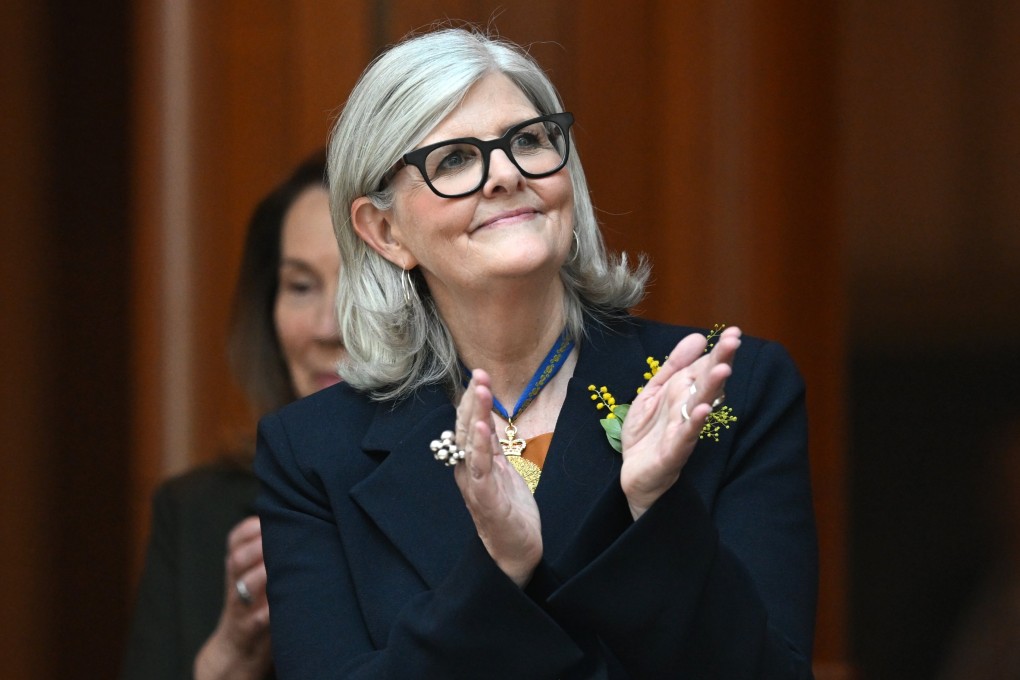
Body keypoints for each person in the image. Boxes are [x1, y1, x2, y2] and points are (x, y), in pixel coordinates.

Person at [256, 26, 817, 678]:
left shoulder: (730, 387)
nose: (504, 173)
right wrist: (496, 571)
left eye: (527, 141)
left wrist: (652, 511)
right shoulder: (314, 450)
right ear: (384, 231)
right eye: (456, 159)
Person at [121, 150, 344, 680]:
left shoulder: (481, 491)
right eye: (301, 286)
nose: (328, 326)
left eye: (363, 282)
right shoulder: (197, 514)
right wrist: (230, 657)